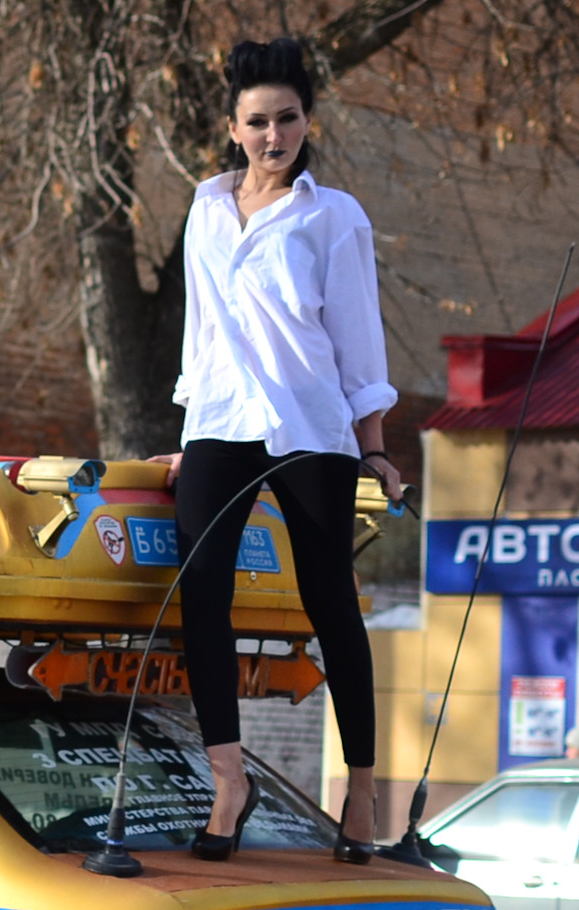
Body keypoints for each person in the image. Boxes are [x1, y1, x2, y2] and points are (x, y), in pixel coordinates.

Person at [152, 37, 403, 863]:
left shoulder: (334, 216)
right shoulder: (206, 207)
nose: (272, 135)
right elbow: (200, 330)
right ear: (233, 126)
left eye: (286, 119)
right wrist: (189, 434)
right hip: (221, 420)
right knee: (201, 594)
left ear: (307, 121)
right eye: (257, 122)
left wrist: (373, 445)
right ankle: (229, 777)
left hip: (309, 426)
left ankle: (361, 792)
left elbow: (356, 337)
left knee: (330, 600)